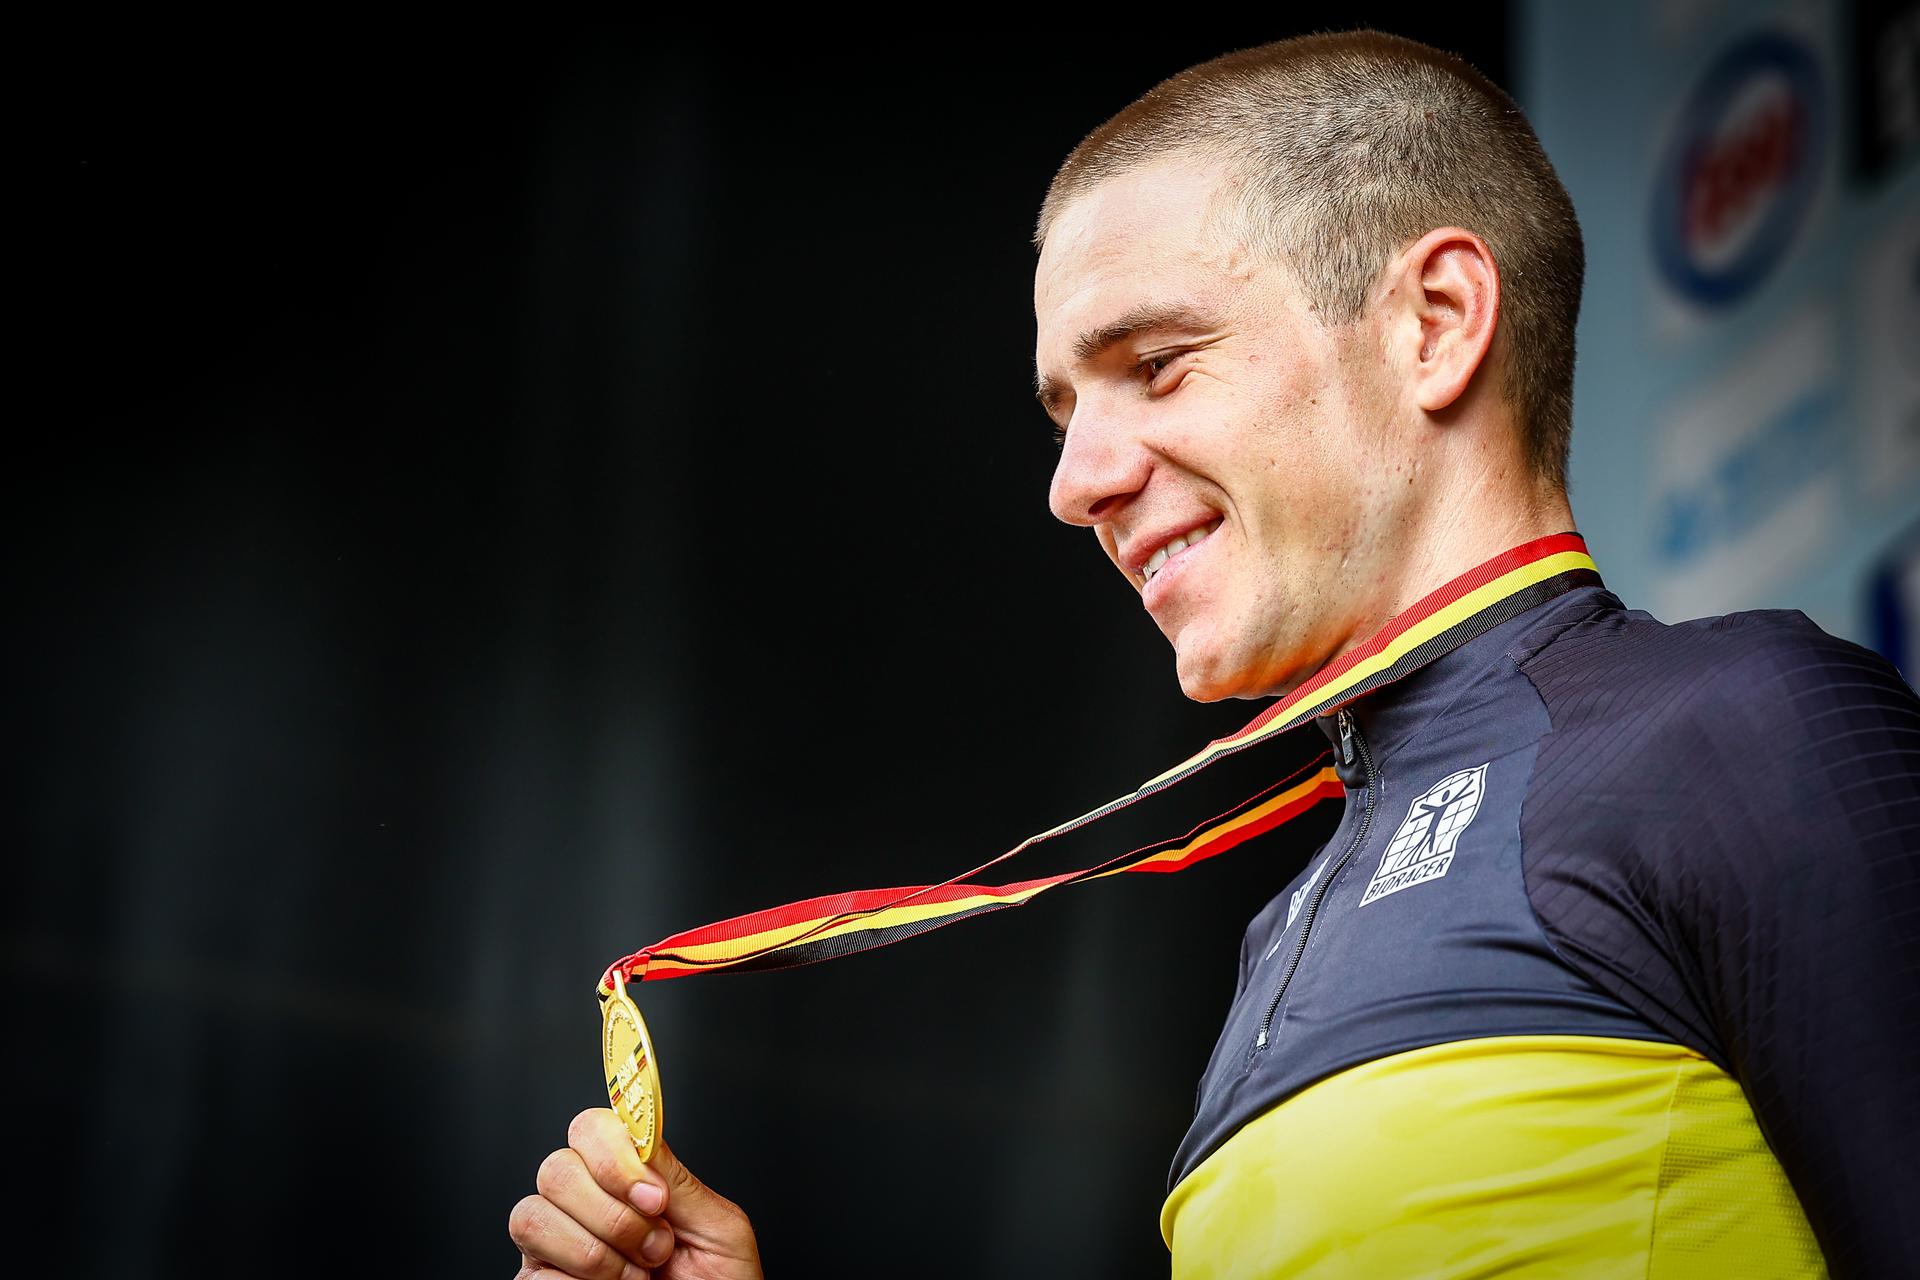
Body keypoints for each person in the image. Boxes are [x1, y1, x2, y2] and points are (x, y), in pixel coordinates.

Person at [509, 31, 1920, 1279]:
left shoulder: (1742, 729)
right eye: (1065, 413)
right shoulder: (1278, 935)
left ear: (1434, 324)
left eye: (1158, 365)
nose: (1076, 485)